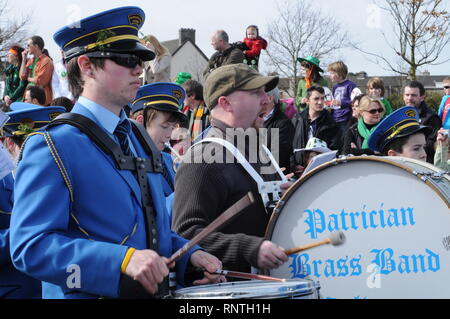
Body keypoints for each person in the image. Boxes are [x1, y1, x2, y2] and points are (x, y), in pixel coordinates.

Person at [9, 6, 222, 300]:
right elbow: (30, 247)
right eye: (125, 58)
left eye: (140, 59)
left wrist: (188, 255)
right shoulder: (52, 145)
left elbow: (145, 230)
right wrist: (119, 261)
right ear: (86, 65)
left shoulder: (136, 138)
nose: (138, 68)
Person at [172, 64, 290, 275]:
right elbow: (185, 234)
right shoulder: (202, 160)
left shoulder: (256, 147)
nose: (266, 99)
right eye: (256, 92)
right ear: (225, 103)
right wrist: (248, 248)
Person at [1, 102, 65, 299]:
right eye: (36, 148)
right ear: (10, 144)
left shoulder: (64, 182)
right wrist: (31, 232)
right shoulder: (3, 184)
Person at [291, 86, 341, 177]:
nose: (320, 102)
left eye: (323, 98)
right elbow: (289, 146)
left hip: (321, 173)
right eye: (316, 99)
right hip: (298, 173)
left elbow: (334, 149)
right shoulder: (297, 119)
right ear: (307, 100)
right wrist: (293, 165)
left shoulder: (331, 123)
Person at [403, 80, 441, 163]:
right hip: (405, 161)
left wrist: (408, 147)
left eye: (413, 95)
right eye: (407, 95)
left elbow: (432, 145)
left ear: (422, 97)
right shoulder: (400, 115)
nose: (409, 98)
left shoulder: (432, 118)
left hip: (424, 164)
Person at [263, 86, 295, 173]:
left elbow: (275, 159)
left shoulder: (283, 124)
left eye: (258, 95)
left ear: (269, 98)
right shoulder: (251, 119)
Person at [19, 35, 54, 105]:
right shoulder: (30, 61)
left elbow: (41, 81)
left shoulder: (46, 61)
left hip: (41, 100)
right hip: (29, 98)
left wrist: (28, 78)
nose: (27, 47)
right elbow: (22, 76)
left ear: (36, 46)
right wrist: (24, 59)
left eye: (28, 45)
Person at [327, 61, 358, 135]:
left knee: (345, 140)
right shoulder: (335, 87)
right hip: (335, 118)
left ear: (339, 73)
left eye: (332, 73)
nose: (330, 76)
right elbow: (335, 103)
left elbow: (355, 102)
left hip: (346, 119)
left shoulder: (350, 85)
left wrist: (341, 102)